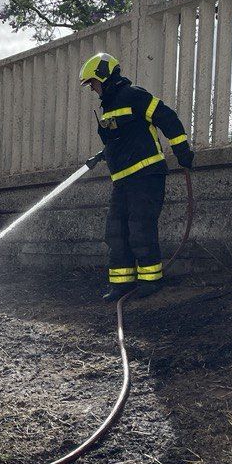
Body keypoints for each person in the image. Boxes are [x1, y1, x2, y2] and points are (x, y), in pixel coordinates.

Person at [79, 52, 194, 301]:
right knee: (116, 231)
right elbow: (122, 137)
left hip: (146, 176)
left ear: (103, 75)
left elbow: (167, 117)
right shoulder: (108, 108)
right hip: (122, 181)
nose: (92, 89)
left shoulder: (134, 95)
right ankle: (122, 284)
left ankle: (151, 281)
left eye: (93, 83)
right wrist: (104, 153)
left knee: (140, 228)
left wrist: (182, 151)